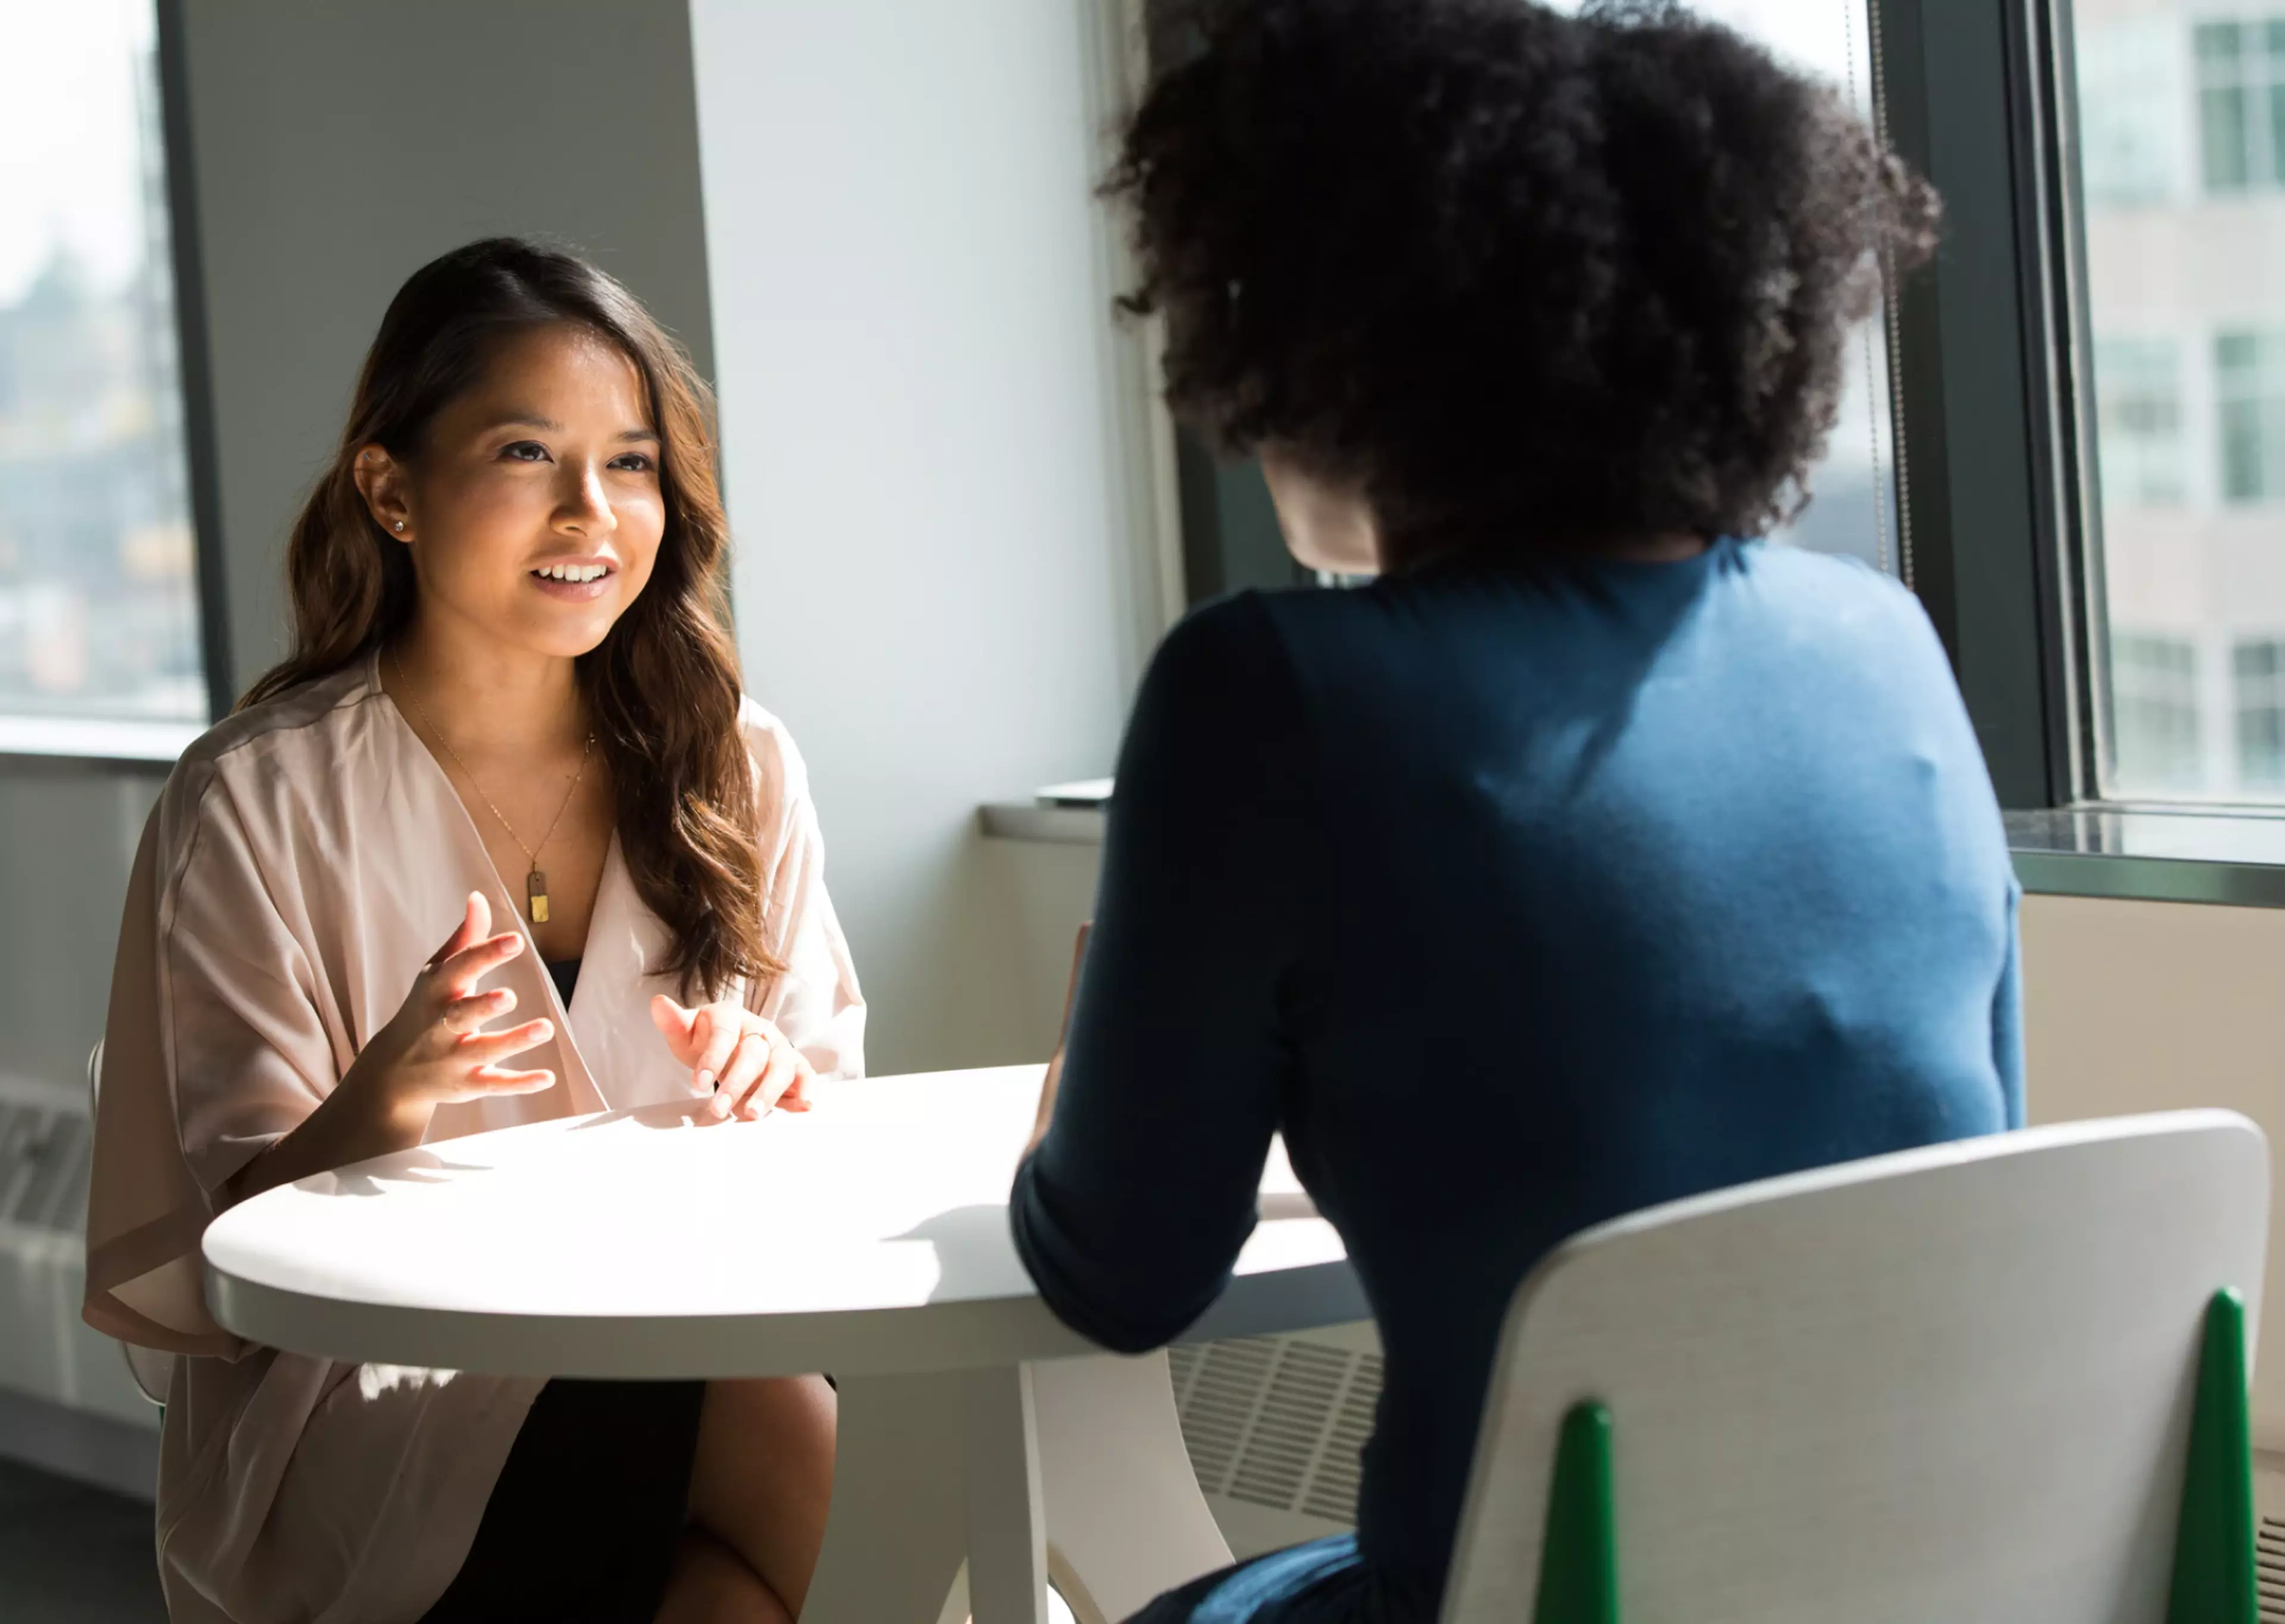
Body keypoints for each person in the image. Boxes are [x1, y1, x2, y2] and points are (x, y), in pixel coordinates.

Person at [1010, 3, 2017, 1620]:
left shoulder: (1267, 690)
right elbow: (1962, 1170)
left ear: (1336, 346)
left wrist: (1085, 1112)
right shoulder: (1885, 648)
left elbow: (1120, 1277)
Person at [83, 239, 863, 1624]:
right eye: (525, 454)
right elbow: (226, 1267)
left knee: (761, 1505)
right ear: (390, 491)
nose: (593, 513)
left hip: (699, 1335)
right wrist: (372, 1113)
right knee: (788, 1433)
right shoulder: (255, 799)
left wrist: (776, 1084)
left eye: (630, 464)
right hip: (370, 1403)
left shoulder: (738, 764)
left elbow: (832, 1130)